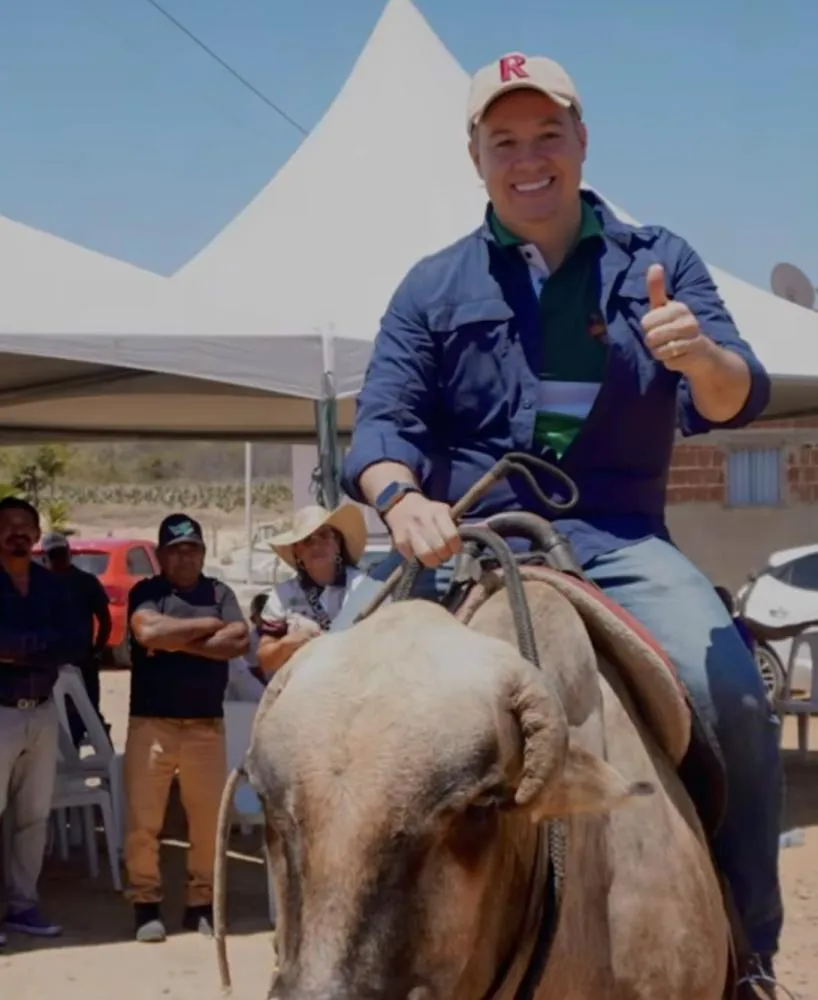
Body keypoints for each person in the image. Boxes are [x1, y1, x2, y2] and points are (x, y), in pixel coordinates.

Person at [340, 53, 782, 996]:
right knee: (328, 702)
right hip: (464, 539)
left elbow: (737, 394)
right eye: (505, 141)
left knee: (735, 695)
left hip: (618, 541)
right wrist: (399, 498)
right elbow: (382, 424)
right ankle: (323, 950)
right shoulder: (433, 284)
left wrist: (700, 356)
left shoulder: (658, 261)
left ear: (582, 142)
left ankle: (752, 951)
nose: (528, 157)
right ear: (476, 157)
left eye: (548, 135)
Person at [123, 513, 249, 943]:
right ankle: (145, 903)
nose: (184, 557)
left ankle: (201, 904)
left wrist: (174, 640)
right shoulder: (147, 592)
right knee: (144, 821)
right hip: (151, 725)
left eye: (192, 548)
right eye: (175, 550)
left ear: (203, 553)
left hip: (205, 728)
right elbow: (147, 633)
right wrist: (207, 627)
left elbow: (237, 642)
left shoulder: (220, 591)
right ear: (160, 555)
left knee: (208, 822)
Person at [0, 498, 86, 945]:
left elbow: (76, 641)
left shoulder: (52, 588)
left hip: (42, 711)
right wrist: (39, 645)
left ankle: (22, 904)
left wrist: (19, 649)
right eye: (7, 525)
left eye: (24, 526)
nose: (17, 532)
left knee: (33, 816)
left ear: (36, 535)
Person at [256, 504, 370, 676]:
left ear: (337, 544)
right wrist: (286, 645)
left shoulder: (365, 587)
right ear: (297, 552)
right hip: (302, 689)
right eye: (307, 540)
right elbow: (265, 661)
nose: (316, 545)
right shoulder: (282, 595)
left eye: (324, 535)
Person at [41, 531, 113, 745]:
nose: (58, 559)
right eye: (53, 555)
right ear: (46, 557)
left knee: (90, 712)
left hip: (83, 661)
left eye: (61, 554)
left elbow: (104, 618)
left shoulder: (86, 582)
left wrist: (97, 649)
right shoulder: (40, 585)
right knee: (55, 714)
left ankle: (107, 765)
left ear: (69, 554)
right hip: (50, 662)